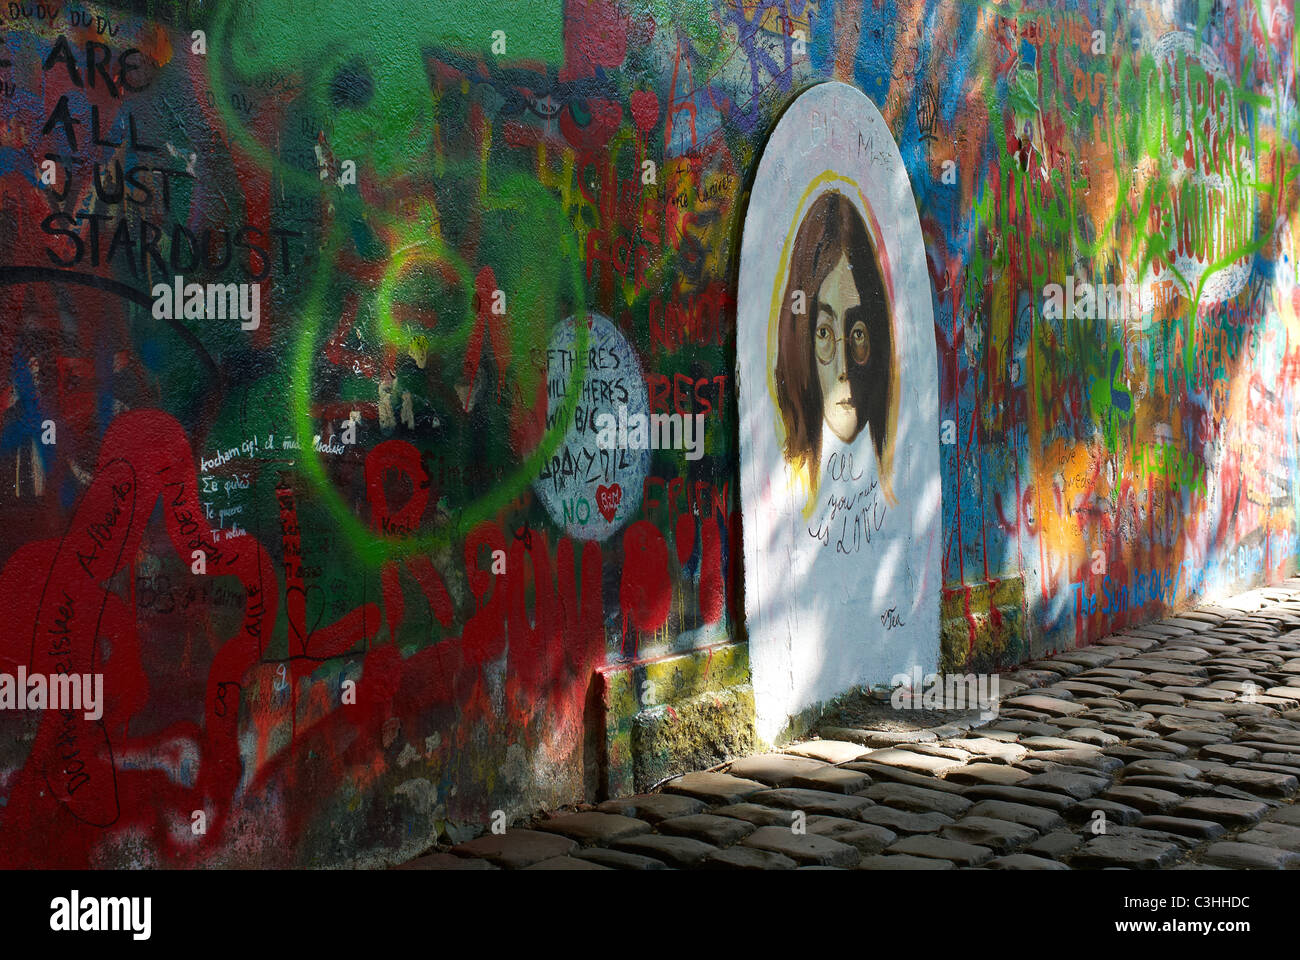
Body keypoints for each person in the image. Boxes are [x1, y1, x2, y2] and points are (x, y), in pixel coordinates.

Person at [775, 189, 895, 496]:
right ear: (802, 342)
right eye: (824, 333)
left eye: (857, 333)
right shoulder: (788, 485)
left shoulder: (892, 484)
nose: (845, 368)